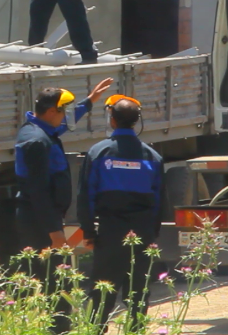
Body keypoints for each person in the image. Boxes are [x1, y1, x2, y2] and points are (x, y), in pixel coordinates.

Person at [77, 95, 163, 332]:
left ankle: (97, 330)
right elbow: (158, 200)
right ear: (136, 121)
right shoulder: (152, 157)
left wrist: (89, 231)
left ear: (112, 120)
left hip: (110, 232)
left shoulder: (98, 152)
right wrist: (151, 234)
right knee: (138, 293)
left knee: (102, 291)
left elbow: (86, 195)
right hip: (142, 232)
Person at [15, 78, 114, 252]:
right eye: (63, 113)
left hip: (43, 218)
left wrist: (90, 101)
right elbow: (38, 190)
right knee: (43, 274)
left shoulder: (40, 128)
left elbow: (64, 125)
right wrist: (54, 231)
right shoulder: (37, 141)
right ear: (52, 111)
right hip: (38, 221)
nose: (65, 118)